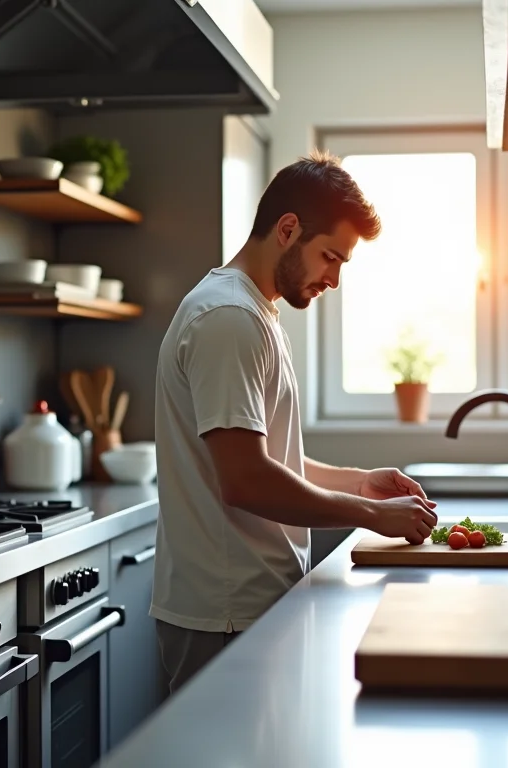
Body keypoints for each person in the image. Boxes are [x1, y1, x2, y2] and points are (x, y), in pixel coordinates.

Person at [150, 150, 439, 697]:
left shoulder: (256, 311)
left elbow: (266, 457)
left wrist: (357, 480)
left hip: (247, 605)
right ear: (288, 230)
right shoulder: (228, 319)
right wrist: (373, 514)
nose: (333, 279)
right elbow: (246, 480)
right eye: (331, 257)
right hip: (225, 612)